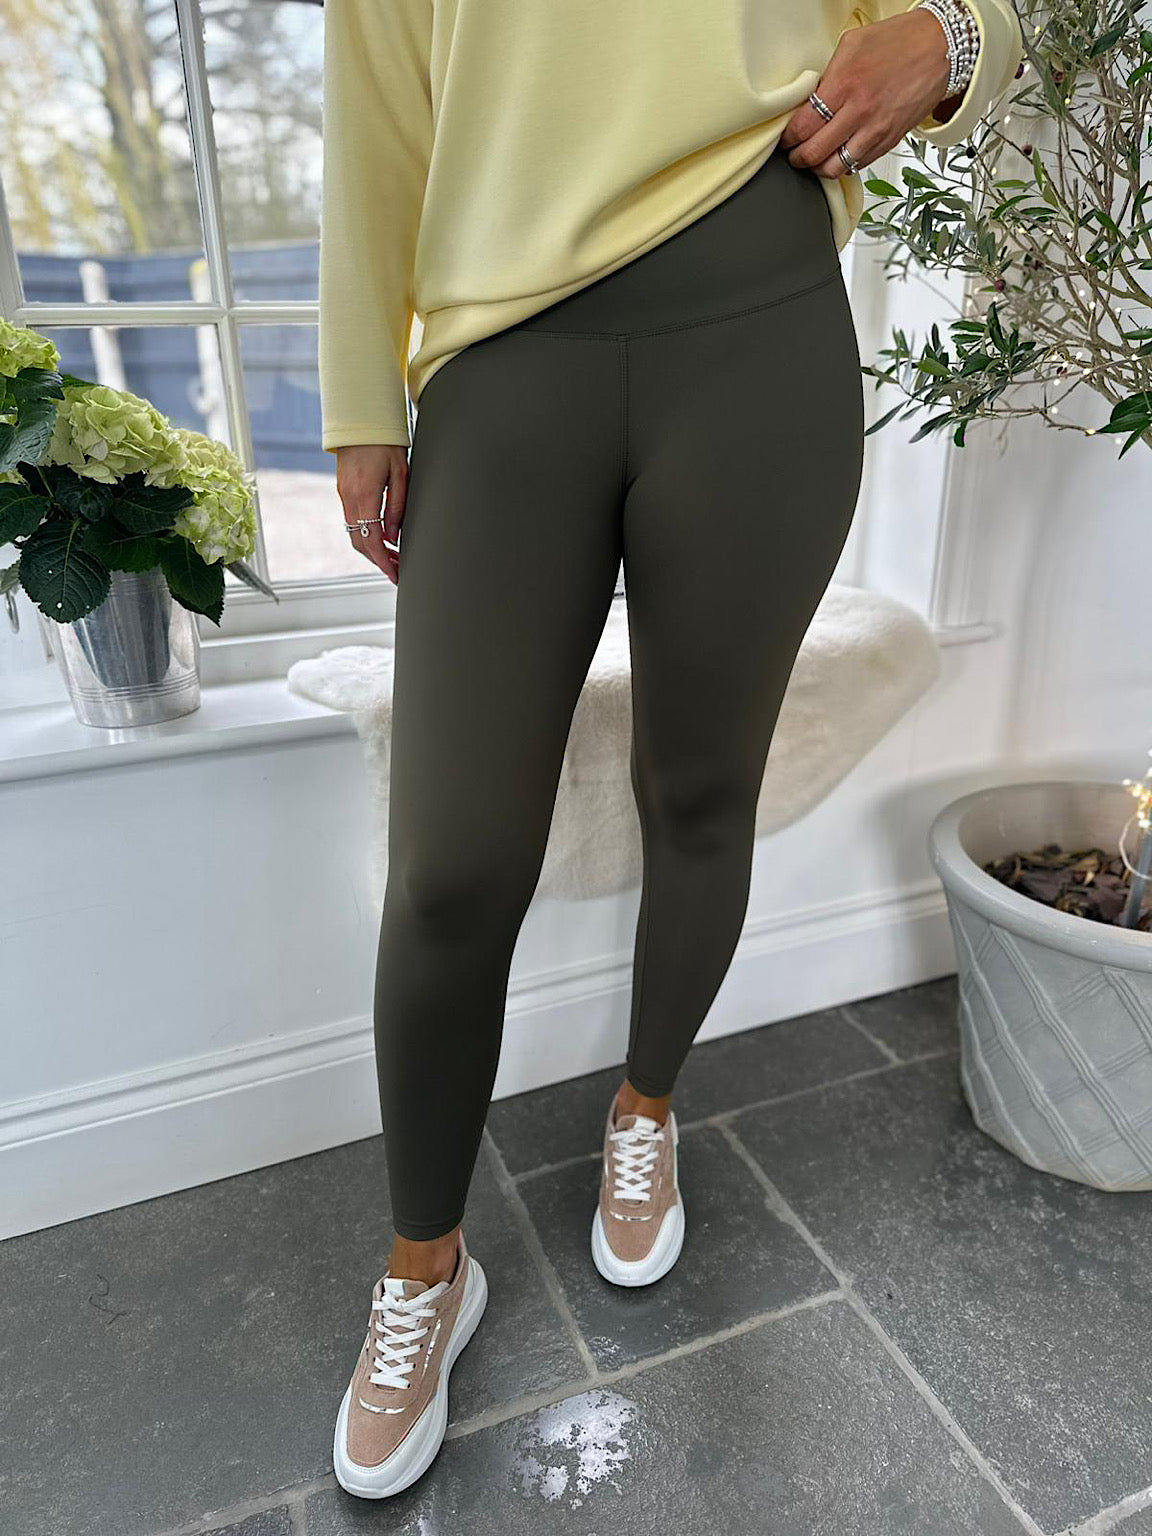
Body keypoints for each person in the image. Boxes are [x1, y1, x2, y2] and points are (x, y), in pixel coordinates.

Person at [317, 0, 1024, 1500]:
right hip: (504, 362)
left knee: (701, 788)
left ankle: (647, 1111)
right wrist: (359, 393)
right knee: (452, 866)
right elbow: (377, 104)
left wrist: (955, 39)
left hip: (761, 330)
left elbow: (983, 20)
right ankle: (426, 1267)